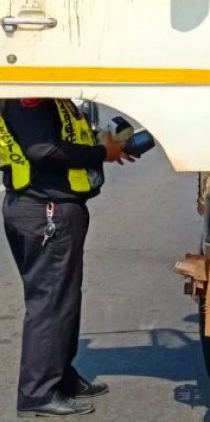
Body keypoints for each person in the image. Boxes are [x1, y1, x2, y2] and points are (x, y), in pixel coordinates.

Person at [1, 99, 132, 417]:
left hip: (47, 208)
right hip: (46, 209)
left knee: (63, 301)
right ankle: (38, 393)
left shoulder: (49, 95)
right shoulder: (30, 95)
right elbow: (41, 149)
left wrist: (102, 144)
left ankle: (62, 379)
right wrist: (102, 153)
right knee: (50, 304)